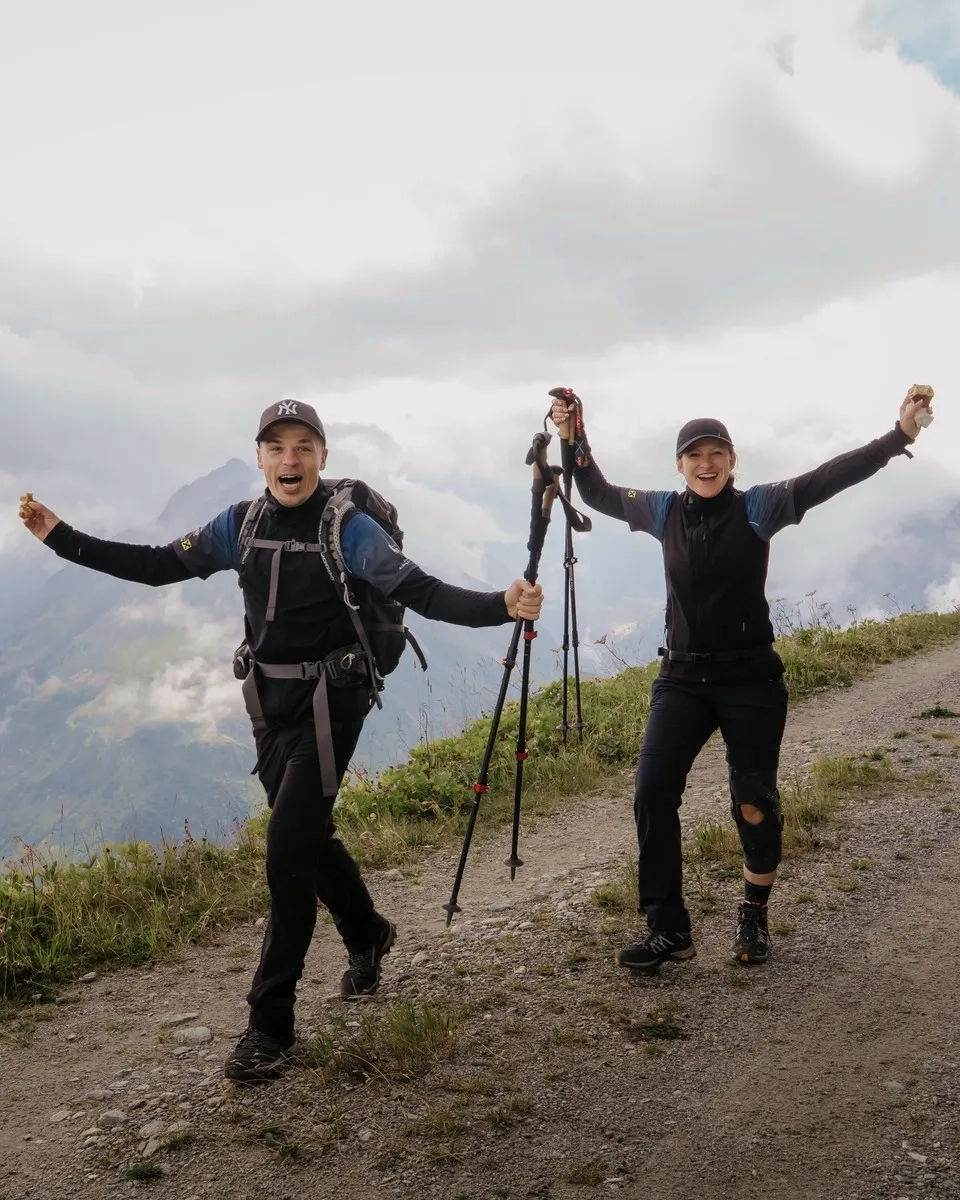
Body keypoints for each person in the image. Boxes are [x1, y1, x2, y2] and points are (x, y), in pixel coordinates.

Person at [20, 399, 543, 1080]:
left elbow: (420, 590)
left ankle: (271, 1026)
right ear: (260, 456)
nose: (289, 460)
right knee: (308, 835)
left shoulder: (348, 529)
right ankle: (369, 933)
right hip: (267, 703)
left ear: (322, 456)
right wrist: (59, 536)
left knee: (286, 850)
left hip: (334, 701)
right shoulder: (239, 525)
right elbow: (156, 565)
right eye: (276, 447)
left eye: (302, 447)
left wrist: (500, 606)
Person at [549, 384, 934, 972]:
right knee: (652, 793)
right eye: (695, 456)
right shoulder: (662, 510)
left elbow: (831, 477)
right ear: (679, 465)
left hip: (751, 680)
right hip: (681, 679)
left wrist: (898, 435)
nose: (706, 464)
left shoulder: (760, 506)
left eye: (717, 454)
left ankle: (753, 912)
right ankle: (667, 930)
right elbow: (596, 492)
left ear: (732, 461)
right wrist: (573, 434)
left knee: (753, 803)